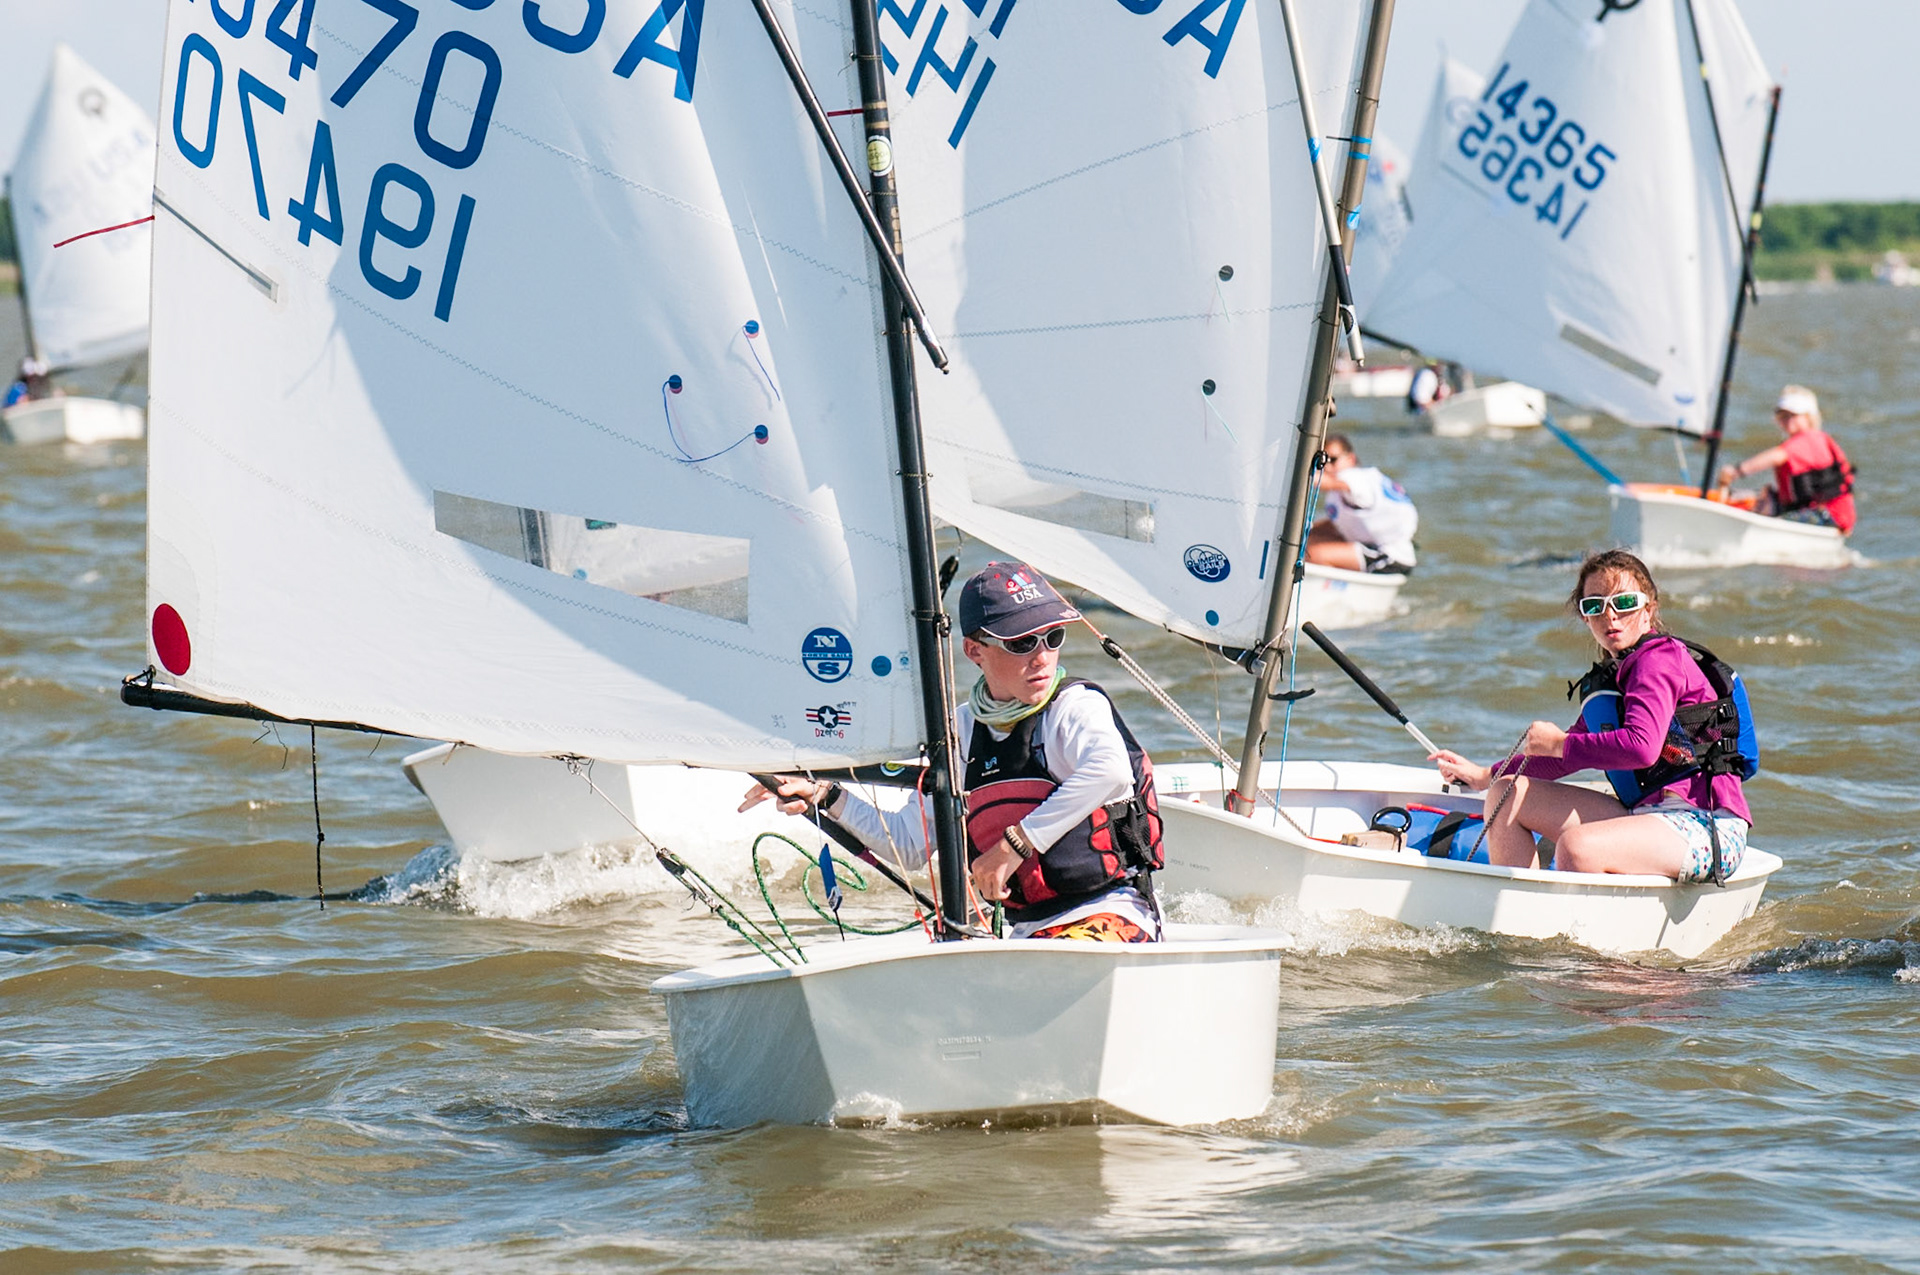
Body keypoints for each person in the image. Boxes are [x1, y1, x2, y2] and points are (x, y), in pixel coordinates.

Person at [742, 562, 1165, 942]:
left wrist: (1013, 845)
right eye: (1022, 643)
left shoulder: (1074, 707)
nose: (1042, 657)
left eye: (1052, 637)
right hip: (1028, 933)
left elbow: (1110, 772)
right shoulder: (960, 731)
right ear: (974, 650)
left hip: (1113, 911)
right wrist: (827, 796)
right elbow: (907, 845)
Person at [1428, 550, 1753, 883]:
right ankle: (1518, 912)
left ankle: (1562, 933)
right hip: (1644, 814)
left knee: (1577, 847)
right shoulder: (1616, 678)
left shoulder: (1658, 659)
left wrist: (1560, 743)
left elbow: (1642, 747)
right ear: (1585, 618)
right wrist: (1486, 775)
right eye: (1595, 606)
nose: (1610, 616)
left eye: (1624, 602)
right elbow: (1562, 760)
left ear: (1648, 610)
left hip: (1706, 824)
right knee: (1506, 794)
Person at [1716, 385, 1856, 534]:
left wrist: (1736, 472)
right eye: (1783, 416)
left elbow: (1777, 456)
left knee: (1771, 523)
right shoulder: (1808, 440)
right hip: (1810, 510)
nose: (1787, 420)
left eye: (1793, 415)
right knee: (1759, 500)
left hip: (1828, 516)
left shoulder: (1810, 439)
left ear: (1809, 417)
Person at [1305, 433, 1418, 574]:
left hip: (1392, 556)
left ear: (1351, 459)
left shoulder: (1356, 477)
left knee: (1314, 554)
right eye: (1322, 462)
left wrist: (1299, 471)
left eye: (1332, 460)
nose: (1326, 467)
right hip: (1376, 547)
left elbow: (1325, 482)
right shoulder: (1343, 490)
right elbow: (1338, 524)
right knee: (1304, 542)